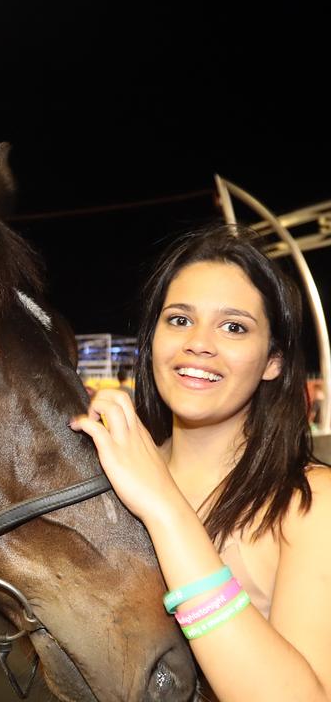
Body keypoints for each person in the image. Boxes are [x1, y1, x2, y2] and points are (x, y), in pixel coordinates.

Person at [71, 224, 330, 701]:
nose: (199, 343)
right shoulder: (106, 477)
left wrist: (166, 511)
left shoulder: (309, 504)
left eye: (233, 327)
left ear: (273, 359)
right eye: (179, 320)